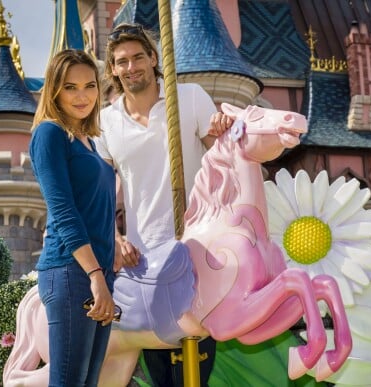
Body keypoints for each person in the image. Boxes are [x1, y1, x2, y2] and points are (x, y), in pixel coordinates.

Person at [95, 23, 232, 386]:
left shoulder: (188, 98)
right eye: (121, 61)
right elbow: (100, 192)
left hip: (195, 247)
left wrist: (223, 133)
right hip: (144, 259)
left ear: (154, 58)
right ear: (112, 69)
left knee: (196, 364)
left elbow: (222, 157)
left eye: (138, 57)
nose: (131, 67)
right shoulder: (106, 121)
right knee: (161, 373)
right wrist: (114, 237)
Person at [29, 49, 117, 387]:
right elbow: (63, 211)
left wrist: (106, 272)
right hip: (70, 271)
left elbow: (100, 211)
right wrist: (95, 275)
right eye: (70, 87)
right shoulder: (49, 134)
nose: (82, 96)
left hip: (98, 273)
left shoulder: (90, 141)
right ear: (53, 89)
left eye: (90, 86)